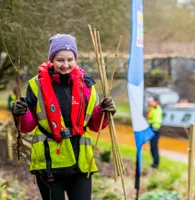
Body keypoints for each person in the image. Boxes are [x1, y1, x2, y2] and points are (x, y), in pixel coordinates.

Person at [11, 34, 116, 200]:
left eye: (70, 59)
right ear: (52, 59)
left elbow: (94, 125)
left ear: (76, 59)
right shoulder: (36, 84)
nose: (65, 65)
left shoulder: (87, 84)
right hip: (49, 162)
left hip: (80, 163)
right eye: (60, 60)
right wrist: (20, 113)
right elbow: (27, 126)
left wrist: (104, 111)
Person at [146, 96, 163, 169]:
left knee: (154, 147)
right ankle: (154, 163)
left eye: (150, 102)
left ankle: (156, 163)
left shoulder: (156, 108)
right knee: (152, 147)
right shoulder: (152, 108)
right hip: (151, 129)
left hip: (155, 130)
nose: (149, 103)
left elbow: (154, 119)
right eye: (148, 102)